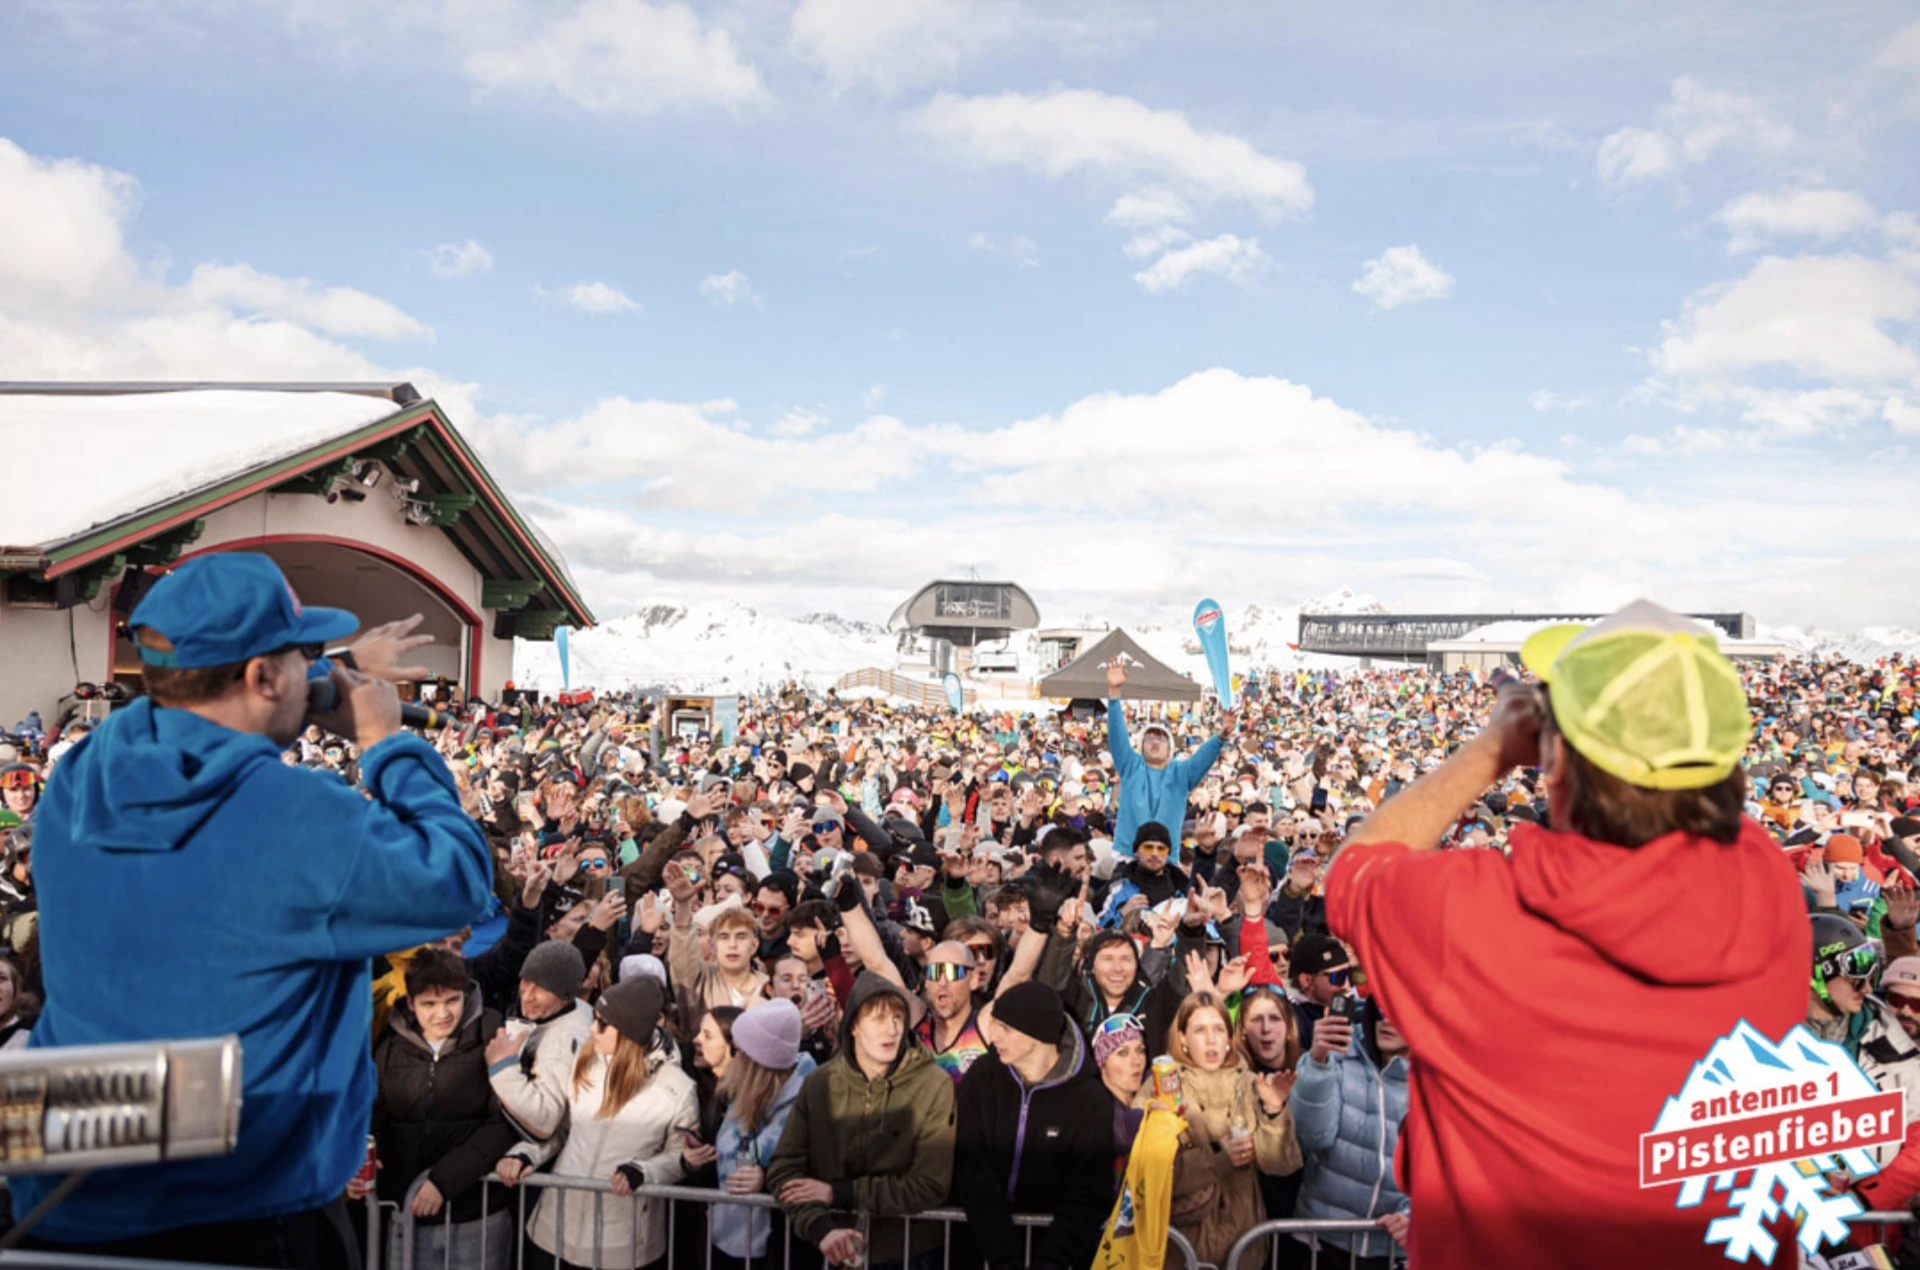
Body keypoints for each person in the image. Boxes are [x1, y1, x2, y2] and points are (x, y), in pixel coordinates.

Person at [18, 552, 493, 1263]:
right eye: (300, 654)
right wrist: (385, 740)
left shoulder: (85, 775)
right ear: (263, 676)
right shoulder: (301, 819)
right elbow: (459, 877)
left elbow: (199, 715)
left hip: (69, 1186)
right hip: (240, 1209)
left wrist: (328, 672)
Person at [1326, 600, 1807, 1269]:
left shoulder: (1474, 914)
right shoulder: (1771, 885)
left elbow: (1353, 867)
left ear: (1552, 761)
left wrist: (1495, 746)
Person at [496, 976, 699, 1270]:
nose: (592, 1029)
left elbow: (680, 1156)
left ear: (628, 1033)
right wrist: (526, 1154)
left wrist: (643, 1171)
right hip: (555, 1226)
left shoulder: (677, 1088)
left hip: (622, 1242)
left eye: (603, 1024)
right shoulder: (586, 1061)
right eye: (594, 1019)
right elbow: (563, 1130)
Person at [766, 973, 956, 1269]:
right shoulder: (820, 1083)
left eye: (898, 1018)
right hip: (835, 1250)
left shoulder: (934, 1084)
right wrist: (820, 1228)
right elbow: (784, 1170)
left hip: (909, 1253)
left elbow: (929, 1185)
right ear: (853, 1025)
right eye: (879, 1019)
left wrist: (841, 1193)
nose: (892, 1030)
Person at [368, 949, 520, 1270]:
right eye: (429, 1004)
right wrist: (367, 1158)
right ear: (411, 1003)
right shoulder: (390, 1047)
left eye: (452, 1000)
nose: (443, 1014)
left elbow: (506, 1120)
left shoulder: (494, 1035)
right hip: (408, 1214)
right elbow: (376, 1119)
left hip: (476, 1215)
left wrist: (443, 1181)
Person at [952, 982, 1118, 1270]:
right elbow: (971, 1168)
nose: (993, 1036)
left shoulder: (1090, 1099)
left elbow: (1089, 1192)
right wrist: (1005, 1257)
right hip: (980, 1250)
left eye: (1005, 1028)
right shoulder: (982, 1077)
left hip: (1057, 1256)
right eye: (995, 1025)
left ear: (1038, 1034)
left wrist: (1050, 1262)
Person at [1141, 993, 1299, 1267]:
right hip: (1181, 1250)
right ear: (1182, 1038)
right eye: (1200, 1030)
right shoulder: (1160, 1087)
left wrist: (1274, 1112)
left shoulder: (1251, 1083)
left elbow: (1278, 1165)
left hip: (1245, 1246)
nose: (1211, 1039)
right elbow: (1148, 1173)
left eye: (1218, 1029)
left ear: (1229, 1037)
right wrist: (1217, 1156)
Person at [1806, 915, 1920, 1225]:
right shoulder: (1758, 1036)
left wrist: (1863, 1198)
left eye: (1871, 974)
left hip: (1864, 1223)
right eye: (1856, 975)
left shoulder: (1894, 1049)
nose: (1867, 987)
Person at [1287, 995, 1410, 1269]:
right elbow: (1311, 1137)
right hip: (1321, 1241)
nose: (1386, 1019)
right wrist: (1317, 1063)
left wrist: (1415, 1215)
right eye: (1382, 1007)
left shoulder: (1435, 1081)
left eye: (1399, 1009)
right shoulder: (1339, 1053)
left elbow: (1445, 1171)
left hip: (1390, 1249)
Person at [710, 999, 817, 1270]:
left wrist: (768, 1179)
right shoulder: (736, 1092)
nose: (734, 1058)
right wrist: (694, 1157)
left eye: (740, 1051)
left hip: (777, 1249)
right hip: (726, 1240)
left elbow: (819, 1172)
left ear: (757, 1063)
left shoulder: (810, 1102)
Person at [1105, 659, 1227, 860]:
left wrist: (1221, 736)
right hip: (1128, 856)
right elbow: (1117, 734)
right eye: (1149, 738)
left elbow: (1202, 759)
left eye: (1161, 738)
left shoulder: (1181, 773)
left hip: (1166, 859)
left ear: (1170, 748)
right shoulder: (1131, 766)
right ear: (1140, 746)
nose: (1155, 742)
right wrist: (1114, 693)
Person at [487, 939, 596, 1142]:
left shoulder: (561, 1042)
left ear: (565, 996)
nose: (528, 996)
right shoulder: (576, 1008)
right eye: (526, 982)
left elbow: (544, 1120)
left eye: (542, 988)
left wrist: (501, 1066)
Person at [912, 940, 989, 1083]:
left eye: (952, 972)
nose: (942, 983)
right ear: (926, 981)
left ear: (973, 979)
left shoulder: (985, 1026)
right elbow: (878, 963)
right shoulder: (917, 1020)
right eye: (934, 972)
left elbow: (1018, 974)